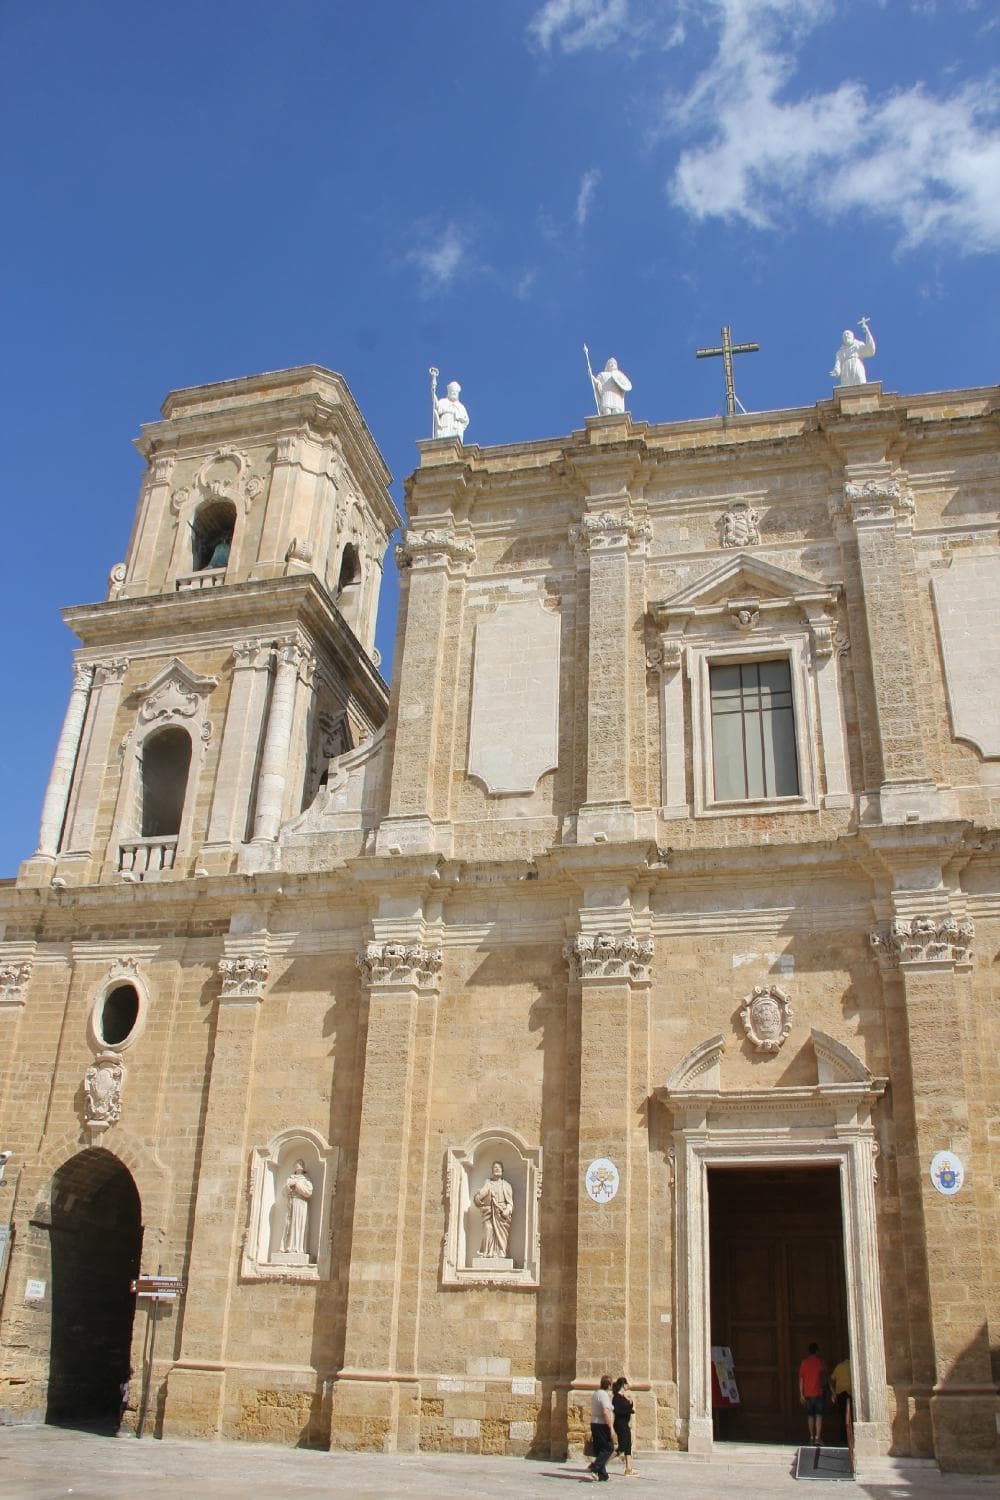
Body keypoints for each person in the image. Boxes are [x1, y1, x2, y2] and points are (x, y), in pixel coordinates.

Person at [473, 1160, 514, 1257]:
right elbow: (480, 1196)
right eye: (495, 1167)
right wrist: (478, 1198)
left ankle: (500, 1252)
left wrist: (507, 1211)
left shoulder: (507, 1185)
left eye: (499, 1167)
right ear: (492, 1171)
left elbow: (510, 1203)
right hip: (489, 1212)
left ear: (502, 1170)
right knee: (488, 1228)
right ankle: (487, 1252)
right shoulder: (488, 1183)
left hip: (502, 1214)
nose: (497, 1169)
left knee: (501, 1235)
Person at [280, 1160, 314, 1256]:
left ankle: (298, 1247)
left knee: (299, 1224)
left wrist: (297, 1185)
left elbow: (308, 1192)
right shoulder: (290, 1178)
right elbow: (283, 1193)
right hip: (291, 1202)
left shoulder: (306, 1179)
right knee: (289, 1225)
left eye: (300, 1164)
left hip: (301, 1204)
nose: (299, 1165)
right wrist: (289, 1185)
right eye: (297, 1164)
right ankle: (287, 1247)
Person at [798, 1341, 829, 1446]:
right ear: (817, 1351)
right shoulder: (821, 1362)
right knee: (819, 1415)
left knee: (810, 1416)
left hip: (807, 1394)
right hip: (818, 1393)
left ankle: (811, 1437)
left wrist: (801, 1394)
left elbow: (801, 1379)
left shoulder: (804, 1363)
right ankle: (817, 1437)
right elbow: (826, 1377)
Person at [587, 1373, 615, 1482]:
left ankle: (603, 1475)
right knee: (608, 1448)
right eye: (611, 1384)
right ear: (608, 1385)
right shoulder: (603, 1395)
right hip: (602, 1425)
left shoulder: (596, 1393)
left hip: (595, 1423)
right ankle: (595, 1467)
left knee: (600, 1449)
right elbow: (605, 1411)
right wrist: (611, 1428)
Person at [830, 319, 876, 386]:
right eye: (844, 336)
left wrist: (867, 332)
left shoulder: (858, 345)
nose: (846, 336)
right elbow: (838, 362)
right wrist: (837, 371)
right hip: (845, 368)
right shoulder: (840, 352)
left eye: (848, 334)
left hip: (857, 364)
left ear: (852, 336)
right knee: (846, 387)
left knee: (861, 383)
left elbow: (869, 350)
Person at [431, 376, 469, 441]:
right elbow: (436, 405)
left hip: (456, 428)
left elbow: (466, 420)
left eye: (455, 392)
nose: (454, 393)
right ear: (449, 392)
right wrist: (433, 392)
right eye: (452, 391)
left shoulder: (461, 406)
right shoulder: (443, 401)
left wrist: (459, 417)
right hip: (445, 425)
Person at [612, 1375, 635, 1476]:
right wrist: (629, 1410)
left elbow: (628, 1406)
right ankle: (600, 1462)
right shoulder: (617, 1397)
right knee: (622, 1448)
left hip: (625, 1424)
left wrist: (630, 1403)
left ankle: (629, 1468)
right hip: (620, 1424)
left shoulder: (622, 1396)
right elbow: (617, 1411)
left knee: (627, 1445)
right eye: (627, 1384)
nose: (628, 1385)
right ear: (623, 1385)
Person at [829, 1355, 852, 1446]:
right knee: (851, 1416)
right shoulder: (852, 1365)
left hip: (840, 1394)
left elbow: (830, 1379)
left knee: (842, 1416)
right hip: (850, 1394)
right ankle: (850, 1438)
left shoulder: (839, 1367)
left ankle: (844, 1438)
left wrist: (833, 1392)